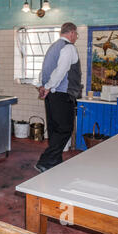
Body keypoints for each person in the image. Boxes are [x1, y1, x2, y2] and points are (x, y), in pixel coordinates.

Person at [35, 22, 83, 173]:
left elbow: (44, 70)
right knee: (65, 129)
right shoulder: (68, 48)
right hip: (62, 94)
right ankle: (45, 161)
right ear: (72, 33)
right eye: (76, 34)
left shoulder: (53, 47)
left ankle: (55, 161)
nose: (76, 37)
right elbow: (61, 70)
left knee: (55, 128)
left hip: (52, 95)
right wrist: (48, 86)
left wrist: (43, 87)